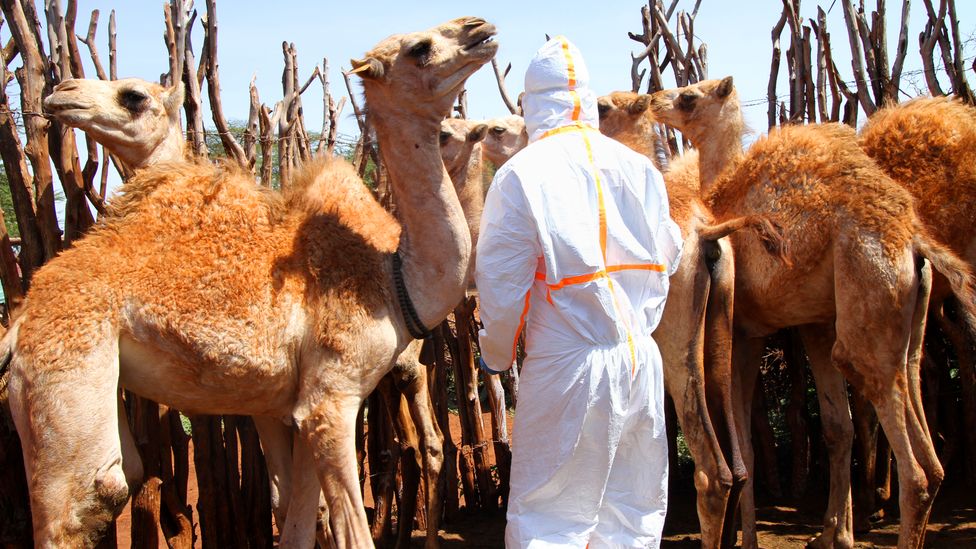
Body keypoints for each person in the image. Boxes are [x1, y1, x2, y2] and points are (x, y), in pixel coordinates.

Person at [475, 36, 683, 548]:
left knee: (549, 520)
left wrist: (496, 354)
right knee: (630, 517)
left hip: (570, 366)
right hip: (641, 362)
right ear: (586, 99)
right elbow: (671, 252)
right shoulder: (640, 170)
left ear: (530, 105)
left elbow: (501, 287)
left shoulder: (522, 174)